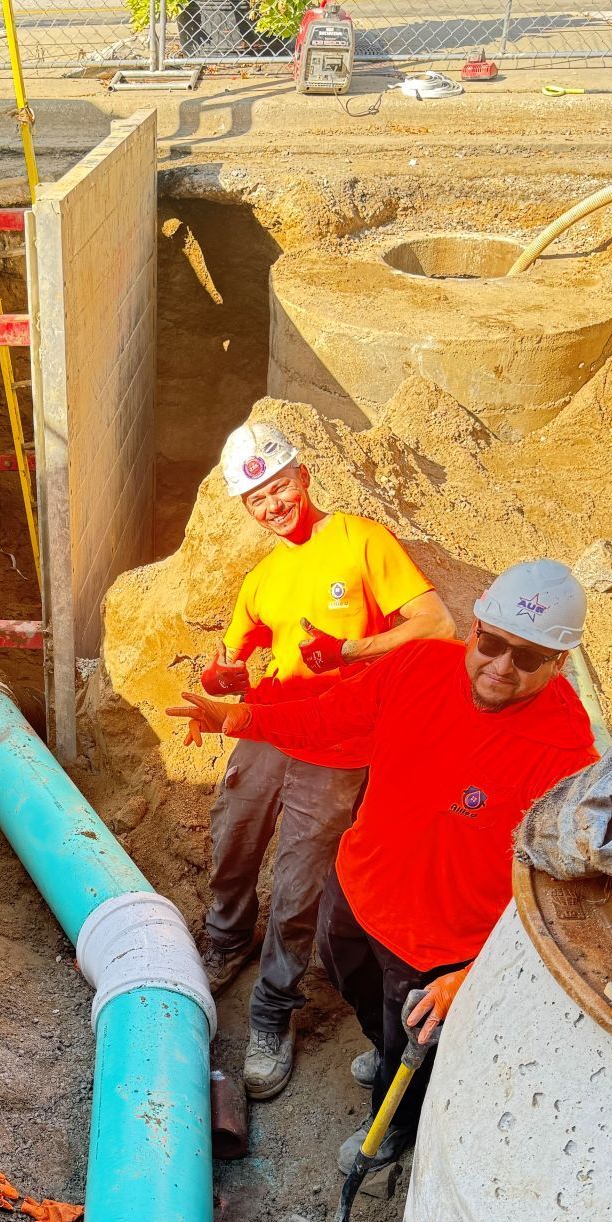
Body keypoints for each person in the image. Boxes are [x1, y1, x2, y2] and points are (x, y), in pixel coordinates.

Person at [170, 559, 598, 1176]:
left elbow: (557, 889)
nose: (501, 667)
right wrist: (244, 719)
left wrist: (473, 972)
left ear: (558, 664)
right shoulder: (419, 665)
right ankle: (383, 1044)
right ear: (476, 626)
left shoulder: (565, 755)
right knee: (351, 980)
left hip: (442, 942)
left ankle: (394, 1129)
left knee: (413, 1043)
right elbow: (331, 717)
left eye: (528, 658)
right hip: (360, 886)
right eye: (494, 644)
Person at [199, 420, 454, 1102]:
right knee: (232, 837)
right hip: (268, 727)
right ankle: (224, 941)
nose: (273, 505)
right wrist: (222, 680)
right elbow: (232, 660)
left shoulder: (361, 542)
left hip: (339, 745)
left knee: (299, 881)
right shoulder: (263, 579)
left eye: (279, 486)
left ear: (302, 477)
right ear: (246, 509)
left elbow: (435, 624)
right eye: (257, 498)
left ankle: (272, 1012)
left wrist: (347, 654)